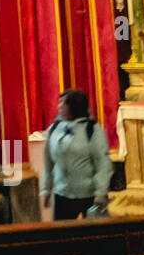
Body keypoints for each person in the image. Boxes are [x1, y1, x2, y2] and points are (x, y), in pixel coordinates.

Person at [41, 89, 112, 220]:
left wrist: (101, 192)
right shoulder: (54, 129)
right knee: (63, 236)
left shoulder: (93, 130)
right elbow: (47, 162)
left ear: (74, 106)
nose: (59, 107)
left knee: (94, 235)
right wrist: (45, 189)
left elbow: (103, 163)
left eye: (63, 103)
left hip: (90, 197)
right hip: (62, 194)